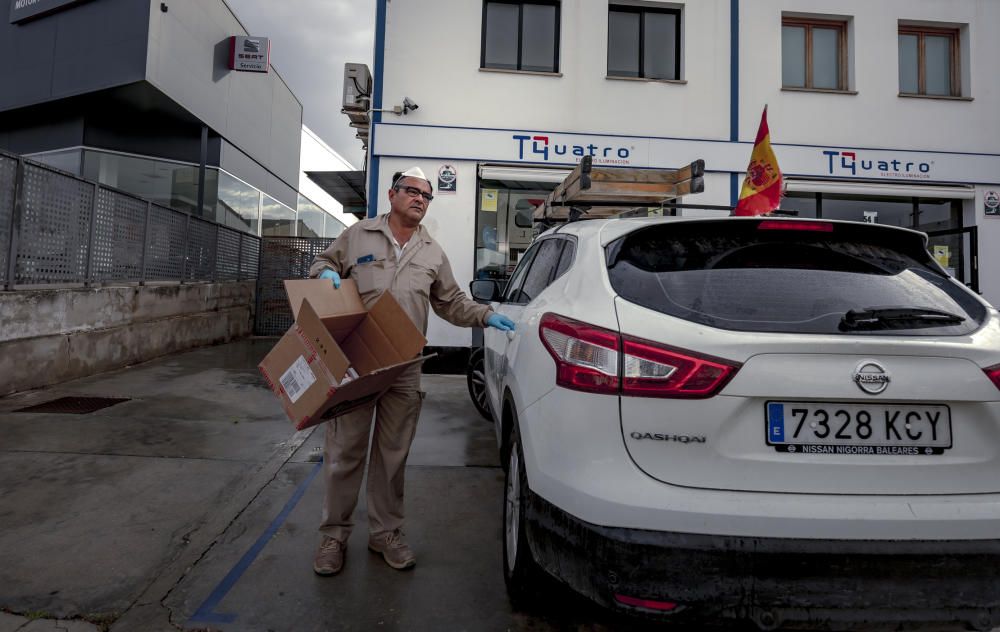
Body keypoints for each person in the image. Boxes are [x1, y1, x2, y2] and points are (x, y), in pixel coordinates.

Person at [307, 166, 515, 576]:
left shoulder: (432, 252)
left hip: (404, 366)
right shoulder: (358, 235)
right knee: (345, 452)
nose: (420, 198)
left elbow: (452, 302)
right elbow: (322, 263)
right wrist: (326, 273)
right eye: (412, 191)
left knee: (392, 456)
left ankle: (385, 534)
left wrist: (487, 316)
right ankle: (334, 535)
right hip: (357, 363)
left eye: (427, 195)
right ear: (392, 194)